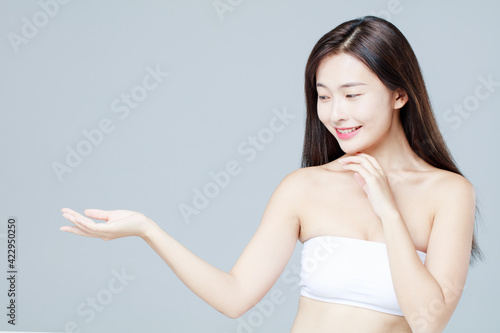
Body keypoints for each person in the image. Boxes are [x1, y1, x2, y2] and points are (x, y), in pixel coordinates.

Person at [59, 15, 483, 333]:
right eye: (324, 96)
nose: (337, 114)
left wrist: (389, 213)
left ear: (399, 94)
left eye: (353, 95)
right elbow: (235, 296)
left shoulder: (449, 193)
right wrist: (147, 229)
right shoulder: (304, 187)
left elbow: (428, 321)